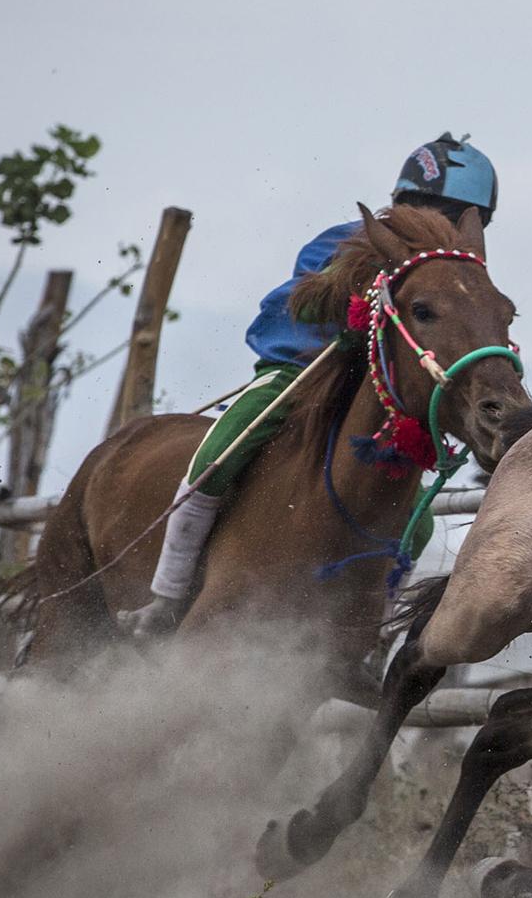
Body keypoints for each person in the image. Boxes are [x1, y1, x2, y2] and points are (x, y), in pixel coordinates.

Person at [116, 134, 499, 638]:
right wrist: (355, 304)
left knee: (418, 520)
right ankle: (166, 598)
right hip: (303, 374)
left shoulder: (458, 276)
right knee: (222, 449)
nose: (444, 223)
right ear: (404, 202)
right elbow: (297, 305)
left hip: (380, 403)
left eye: (461, 215)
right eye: (436, 209)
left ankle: (370, 634)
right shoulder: (345, 242)